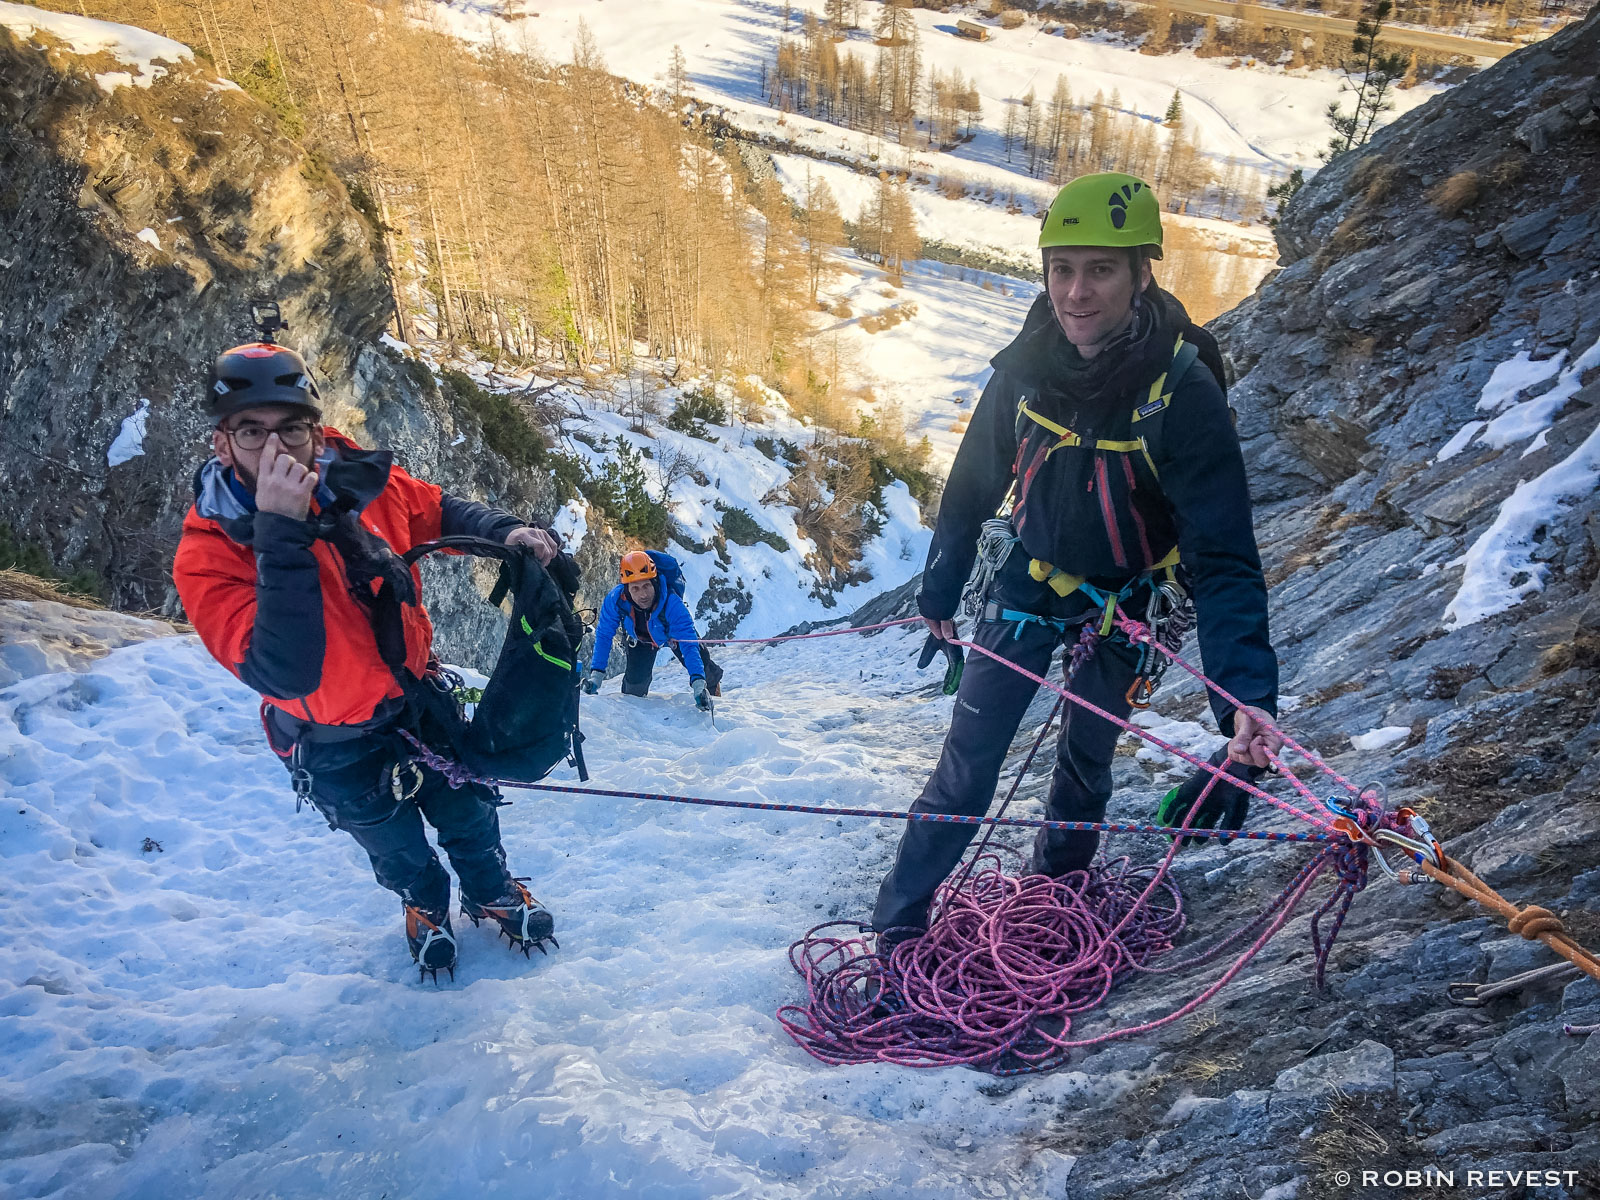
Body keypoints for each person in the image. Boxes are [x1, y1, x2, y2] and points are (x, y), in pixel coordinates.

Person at [872, 173, 1284, 943]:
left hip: (1130, 604)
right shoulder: (1025, 368)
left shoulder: (1182, 391)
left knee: (1085, 770)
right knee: (965, 771)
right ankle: (897, 934)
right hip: (1027, 587)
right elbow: (971, 487)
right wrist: (940, 592)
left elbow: (1223, 556)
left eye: (1100, 269)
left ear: (1141, 273)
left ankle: (1050, 914)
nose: (1076, 292)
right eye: (1062, 268)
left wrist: (1244, 702)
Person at [173, 337, 566, 981]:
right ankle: (424, 905)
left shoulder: (357, 483)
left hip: (418, 701)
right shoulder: (210, 555)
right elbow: (285, 669)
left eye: (291, 428)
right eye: (251, 432)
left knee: (468, 811)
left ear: (318, 431)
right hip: (332, 738)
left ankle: (492, 891)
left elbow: (433, 510)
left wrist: (503, 532)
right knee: (395, 843)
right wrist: (279, 529)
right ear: (222, 444)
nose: (276, 449)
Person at [583, 551, 723, 711]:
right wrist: (596, 676)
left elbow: (688, 644)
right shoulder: (616, 600)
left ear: (655, 582)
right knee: (634, 688)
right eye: (635, 588)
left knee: (703, 664)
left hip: (672, 635)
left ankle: (713, 696)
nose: (642, 594)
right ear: (626, 588)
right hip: (642, 639)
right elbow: (604, 636)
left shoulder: (672, 603)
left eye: (646, 586)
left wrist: (698, 684)